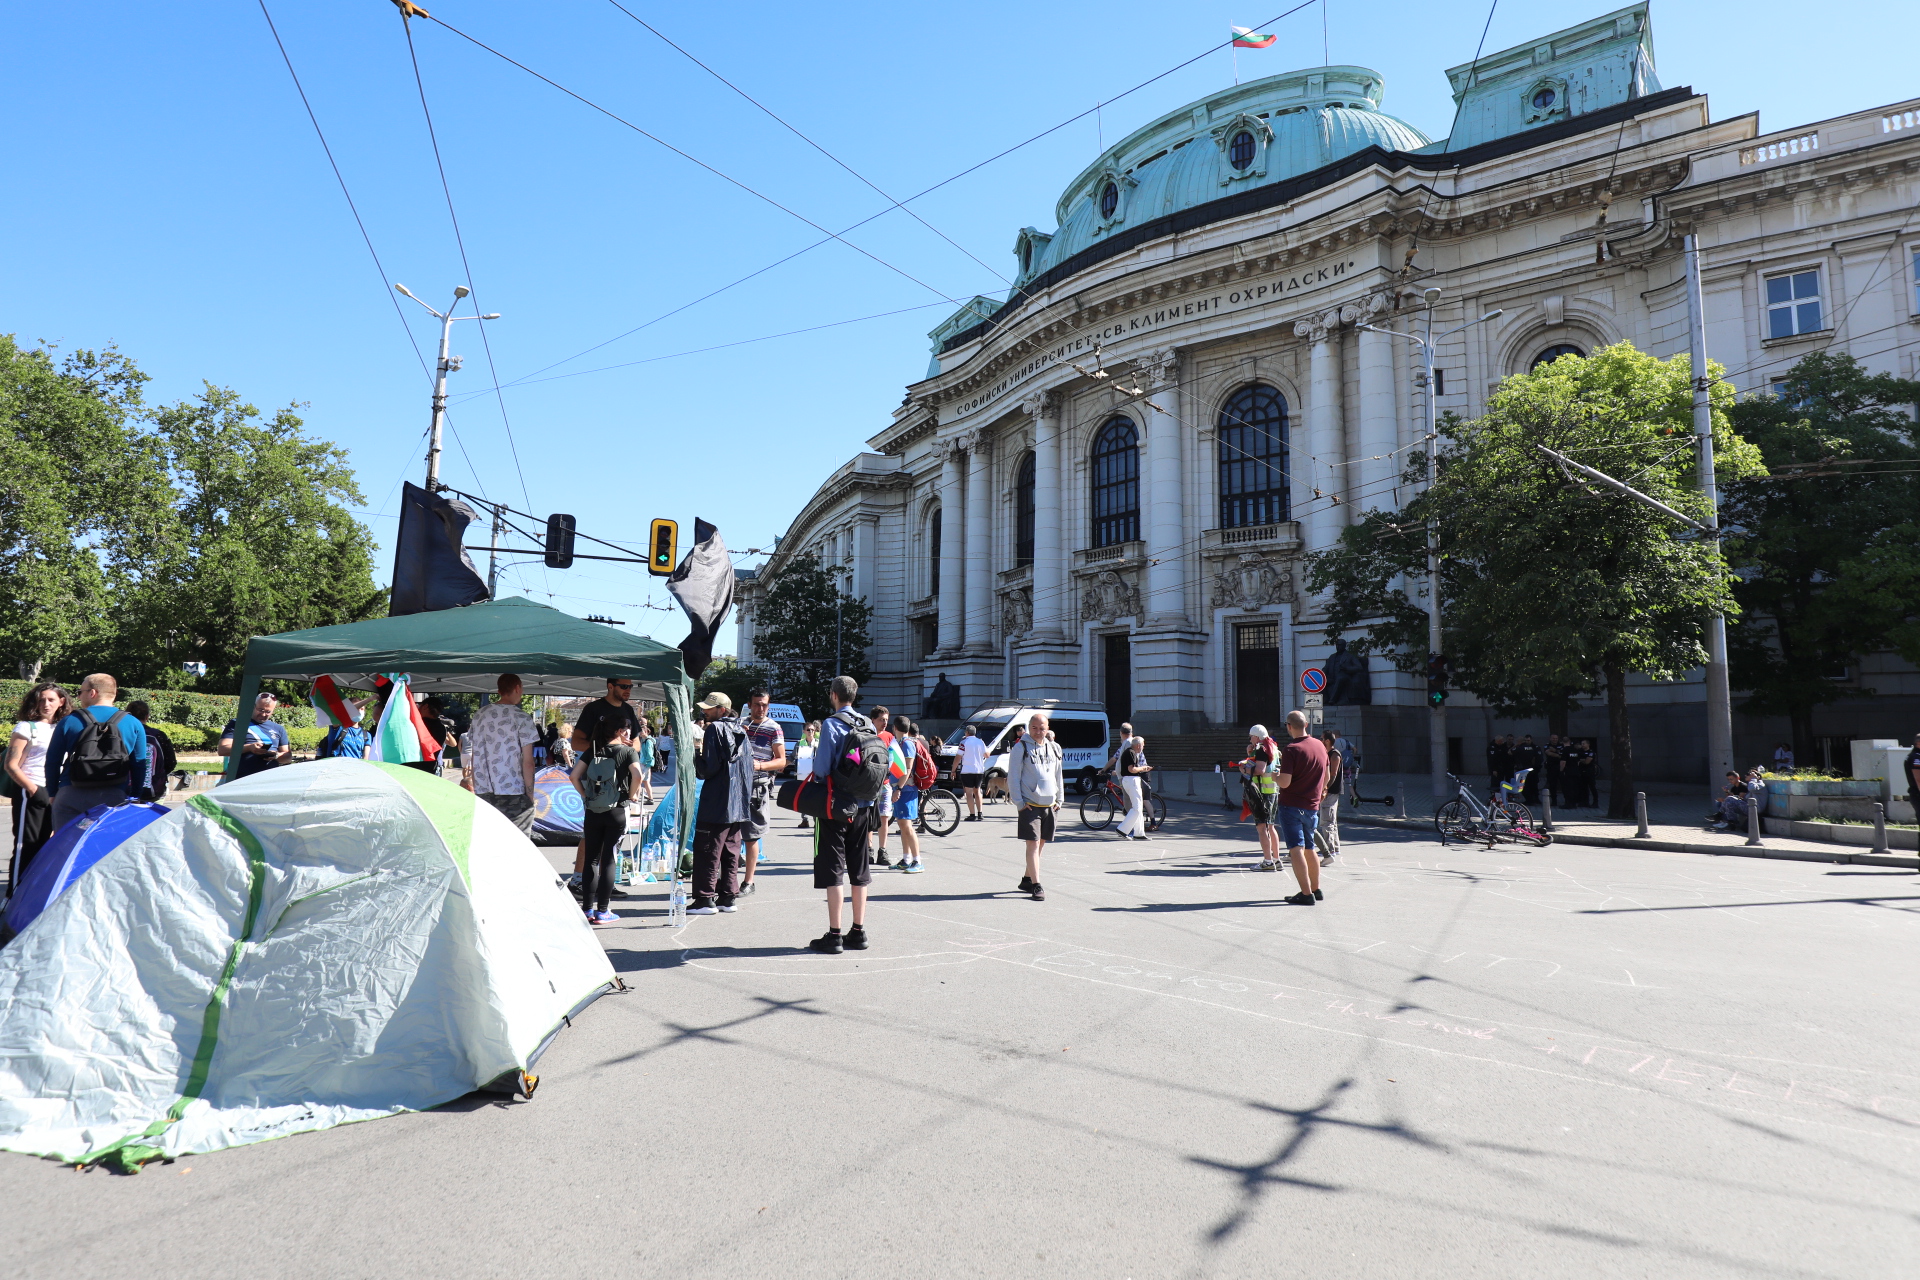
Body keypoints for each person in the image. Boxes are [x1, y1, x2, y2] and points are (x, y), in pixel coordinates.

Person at [808, 675, 877, 954]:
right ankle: (858, 932)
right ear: (854, 695)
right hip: (864, 807)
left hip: (836, 807)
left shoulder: (831, 725)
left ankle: (834, 934)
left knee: (833, 869)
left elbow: (822, 769)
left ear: (833, 695)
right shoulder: (869, 724)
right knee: (860, 870)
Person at [46, 674, 150, 832]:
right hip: (114, 796)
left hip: (71, 794)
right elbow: (140, 765)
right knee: (106, 850)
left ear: (92, 693)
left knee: (67, 847)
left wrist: (52, 792)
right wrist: (135, 795)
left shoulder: (69, 721)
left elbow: (53, 761)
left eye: (80, 692)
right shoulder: (133, 723)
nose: (79, 696)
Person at [570, 679, 644, 883]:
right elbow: (576, 741)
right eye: (624, 686)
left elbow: (637, 743)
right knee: (591, 834)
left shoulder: (629, 710)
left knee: (615, 836)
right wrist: (605, 749)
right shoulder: (594, 708)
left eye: (631, 686)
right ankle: (578, 879)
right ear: (610, 686)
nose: (628, 690)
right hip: (597, 780)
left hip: (620, 781)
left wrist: (627, 747)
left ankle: (606, 882)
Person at [569, 720, 643, 924]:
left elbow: (574, 776)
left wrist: (586, 797)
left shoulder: (592, 751)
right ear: (620, 731)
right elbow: (638, 775)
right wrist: (631, 795)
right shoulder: (628, 752)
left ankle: (587, 910)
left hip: (593, 810)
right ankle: (603, 911)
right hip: (617, 810)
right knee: (609, 859)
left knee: (591, 860)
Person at [686, 691, 752, 916]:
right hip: (738, 803)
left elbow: (709, 767)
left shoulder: (715, 728)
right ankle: (728, 896)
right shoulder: (741, 729)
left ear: (722, 710)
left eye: (709, 708)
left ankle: (705, 899)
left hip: (717, 801)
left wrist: (695, 753)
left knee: (708, 849)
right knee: (730, 851)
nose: (704, 711)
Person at [7, 682, 69, 889]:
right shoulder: (26, 727)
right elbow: (11, 765)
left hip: (57, 792)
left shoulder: (63, 727)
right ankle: (12, 894)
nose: (45, 704)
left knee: (48, 845)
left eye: (51, 699)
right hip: (32, 789)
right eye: (41, 699)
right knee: (27, 845)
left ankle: (34, 894)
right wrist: (33, 789)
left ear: (61, 702)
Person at [464, 674, 541, 834]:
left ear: (499, 690)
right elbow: (528, 762)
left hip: (484, 791)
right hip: (514, 792)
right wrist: (530, 795)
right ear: (518, 688)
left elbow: (474, 754)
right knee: (517, 846)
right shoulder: (522, 717)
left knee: (490, 842)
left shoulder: (479, 715)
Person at [1276, 710, 1330, 906]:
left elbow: (1284, 782)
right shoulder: (1320, 746)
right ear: (1306, 724)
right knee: (1310, 847)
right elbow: (1327, 776)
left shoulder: (1291, 749)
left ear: (1289, 726)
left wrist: (1274, 776)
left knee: (1296, 848)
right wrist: (1321, 791)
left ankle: (1306, 893)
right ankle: (1316, 889)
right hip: (1312, 806)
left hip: (1292, 805)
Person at [736, 687, 787, 895]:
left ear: (769, 705)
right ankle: (727, 879)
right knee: (730, 834)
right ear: (750, 705)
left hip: (758, 786)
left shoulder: (774, 728)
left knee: (751, 836)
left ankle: (749, 882)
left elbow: (782, 761)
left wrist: (758, 766)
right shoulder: (741, 724)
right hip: (736, 785)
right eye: (757, 704)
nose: (760, 708)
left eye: (764, 704)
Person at [1009, 712, 1063, 899]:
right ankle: (1036, 885)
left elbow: (1058, 775)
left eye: (1042, 728)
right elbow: (1013, 777)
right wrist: (1019, 803)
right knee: (1032, 844)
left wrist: (1060, 800)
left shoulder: (1055, 748)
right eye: (1034, 728)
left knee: (1040, 845)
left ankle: (1026, 878)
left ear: (1047, 728)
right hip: (1029, 805)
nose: (1038, 731)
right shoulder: (1021, 748)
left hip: (1050, 804)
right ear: (1029, 727)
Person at [218, 690, 291, 784]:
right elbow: (222, 750)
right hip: (242, 778)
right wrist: (249, 748)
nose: (263, 714)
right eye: (260, 710)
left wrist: (275, 755)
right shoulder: (238, 723)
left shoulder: (278, 728)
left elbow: (288, 757)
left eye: (268, 712)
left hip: (270, 780)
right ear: (253, 706)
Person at [1240, 726, 1282, 871]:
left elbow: (1259, 770)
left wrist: (1243, 768)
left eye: (1251, 736)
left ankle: (1268, 861)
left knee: (1261, 827)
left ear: (1257, 737)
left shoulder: (1262, 750)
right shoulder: (1273, 748)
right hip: (1273, 791)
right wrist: (1250, 753)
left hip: (1262, 793)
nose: (1250, 739)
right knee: (1271, 826)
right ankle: (1276, 859)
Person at [891, 715, 926, 873]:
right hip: (901, 789)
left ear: (895, 728)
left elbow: (908, 768)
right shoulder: (901, 743)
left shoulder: (906, 744)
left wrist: (898, 788)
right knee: (903, 825)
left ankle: (917, 861)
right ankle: (906, 860)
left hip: (906, 790)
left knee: (907, 826)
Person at [125, 701, 177, 803]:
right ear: (147, 716)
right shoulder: (158, 735)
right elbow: (171, 763)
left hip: (126, 791)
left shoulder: (123, 733)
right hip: (154, 791)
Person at [869, 706, 897, 866]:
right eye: (881, 719)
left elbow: (894, 757)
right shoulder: (865, 734)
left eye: (886, 719)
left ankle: (882, 851)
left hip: (885, 784)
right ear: (873, 719)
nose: (884, 723)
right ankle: (869, 850)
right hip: (869, 784)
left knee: (884, 817)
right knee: (868, 818)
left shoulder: (889, 737)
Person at [1116, 735, 1152, 840]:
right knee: (1137, 808)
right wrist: (1143, 768)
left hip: (1130, 780)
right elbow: (1131, 769)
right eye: (1142, 745)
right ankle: (1122, 829)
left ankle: (1139, 833)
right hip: (1131, 780)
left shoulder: (1129, 752)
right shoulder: (1131, 753)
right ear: (1138, 745)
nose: (1143, 748)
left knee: (1138, 807)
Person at [1317, 730, 1343, 865]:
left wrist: (1325, 789)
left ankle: (1330, 849)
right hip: (1329, 790)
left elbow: (1333, 774)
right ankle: (1335, 848)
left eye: (1322, 738)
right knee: (1331, 820)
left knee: (1327, 820)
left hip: (1331, 791)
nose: (1320, 740)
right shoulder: (1328, 754)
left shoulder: (1334, 755)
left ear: (1327, 741)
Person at [957, 724, 988, 820]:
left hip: (967, 770)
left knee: (969, 792)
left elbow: (958, 756)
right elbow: (987, 755)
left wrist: (953, 769)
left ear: (967, 733)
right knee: (977, 791)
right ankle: (980, 813)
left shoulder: (964, 742)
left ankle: (972, 815)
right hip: (979, 770)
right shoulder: (980, 742)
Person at [794, 721, 819, 829]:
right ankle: (805, 820)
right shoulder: (799, 743)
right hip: (802, 775)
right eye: (808, 730)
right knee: (803, 798)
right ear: (804, 731)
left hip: (815, 776)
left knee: (815, 798)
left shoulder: (819, 743)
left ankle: (816, 819)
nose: (810, 732)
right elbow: (791, 757)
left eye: (812, 730)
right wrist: (782, 766)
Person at [1513, 734, 1542, 805]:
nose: (1527, 742)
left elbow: (1538, 758)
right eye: (1526, 740)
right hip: (1528, 769)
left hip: (1529, 770)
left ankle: (1534, 799)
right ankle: (1530, 800)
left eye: (1528, 740)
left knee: (1532, 785)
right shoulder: (1529, 748)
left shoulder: (1534, 747)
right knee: (1527, 785)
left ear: (1531, 740)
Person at [634, 720, 657, 806]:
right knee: (646, 782)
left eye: (642, 731)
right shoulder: (644, 740)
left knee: (638, 781)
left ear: (646, 731)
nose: (640, 732)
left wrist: (646, 764)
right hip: (645, 763)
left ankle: (636, 798)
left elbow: (649, 755)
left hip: (644, 764)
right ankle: (650, 798)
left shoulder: (648, 741)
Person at [1487, 733, 1513, 803]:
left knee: (1500, 784)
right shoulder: (1492, 748)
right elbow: (1492, 760)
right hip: (1496, 770)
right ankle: (1494, 798)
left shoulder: (1500, 747)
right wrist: (1493, 769)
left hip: (1501, 769)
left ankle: (1500, 797)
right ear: (1498, 741)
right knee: (1495, 784)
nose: (1503, 742)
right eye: (1501, 741)